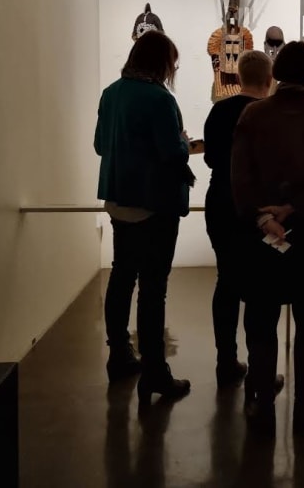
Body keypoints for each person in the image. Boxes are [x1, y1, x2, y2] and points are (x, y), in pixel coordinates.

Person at [231, 40, 304, 434]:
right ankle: (303, 401)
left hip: (263, 230)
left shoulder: (253, 114)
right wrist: (293, 206)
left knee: (261, 320)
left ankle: (263, 403)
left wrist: (265, 216)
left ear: (277, 73)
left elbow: (239, 178)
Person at [95, 30, 193, 404]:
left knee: (122, 276)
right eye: (172, 62)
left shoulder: (111, 93)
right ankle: (155, 371)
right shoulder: (159, 98)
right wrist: (183, 140)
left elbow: (100, 145)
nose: (173, 69)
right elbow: (173, 154)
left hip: (120, 198)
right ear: (161, 63)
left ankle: (119, 354)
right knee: (153, 288)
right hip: (154, 201)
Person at [203, 50, 274, 387]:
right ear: (269, 79)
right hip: (259, 207)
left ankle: (226, 360)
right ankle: (259, 369)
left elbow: (211, 159)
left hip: (221, 201)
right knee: (260, 288)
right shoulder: (268, 113)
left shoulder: (219, 111)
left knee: (227, 281)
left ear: (239, 77)